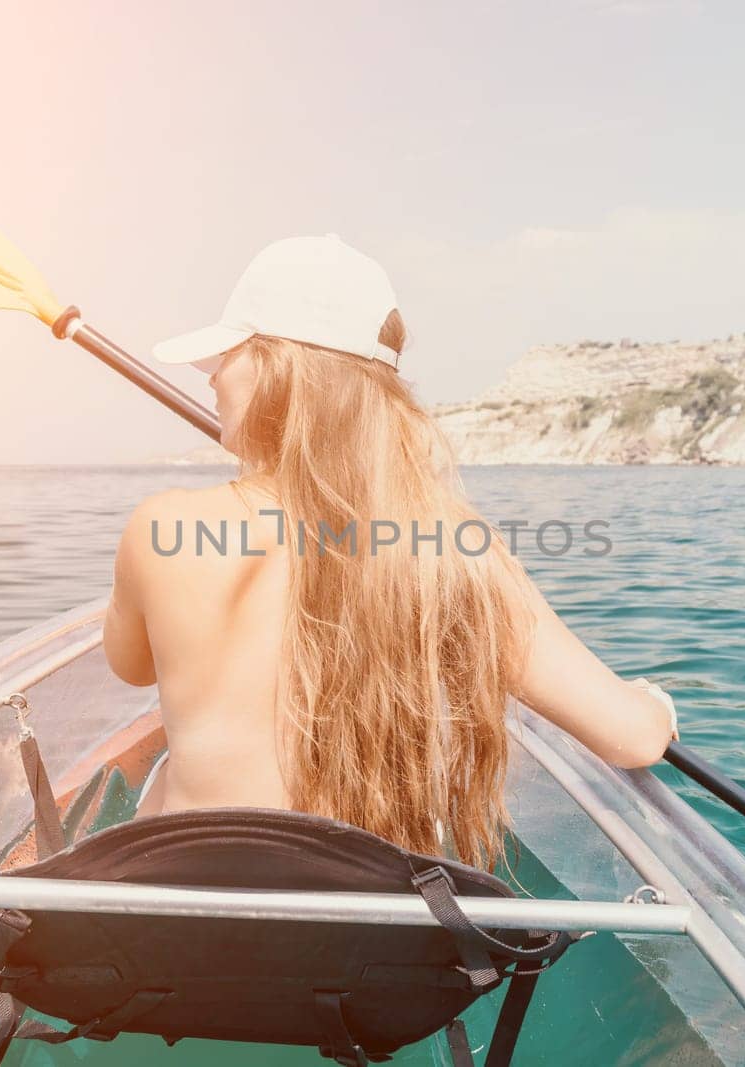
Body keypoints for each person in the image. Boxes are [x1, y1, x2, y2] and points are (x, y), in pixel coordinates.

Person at [103, 234, 677, 871]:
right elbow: (634, 738)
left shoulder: (161, 526)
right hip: (366, 940)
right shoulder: (453, 547)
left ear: (273, 368)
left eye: (224, 356)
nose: (209, 379)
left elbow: (131, 667)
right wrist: (654, 701)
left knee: (159, 790)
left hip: (184, 916)